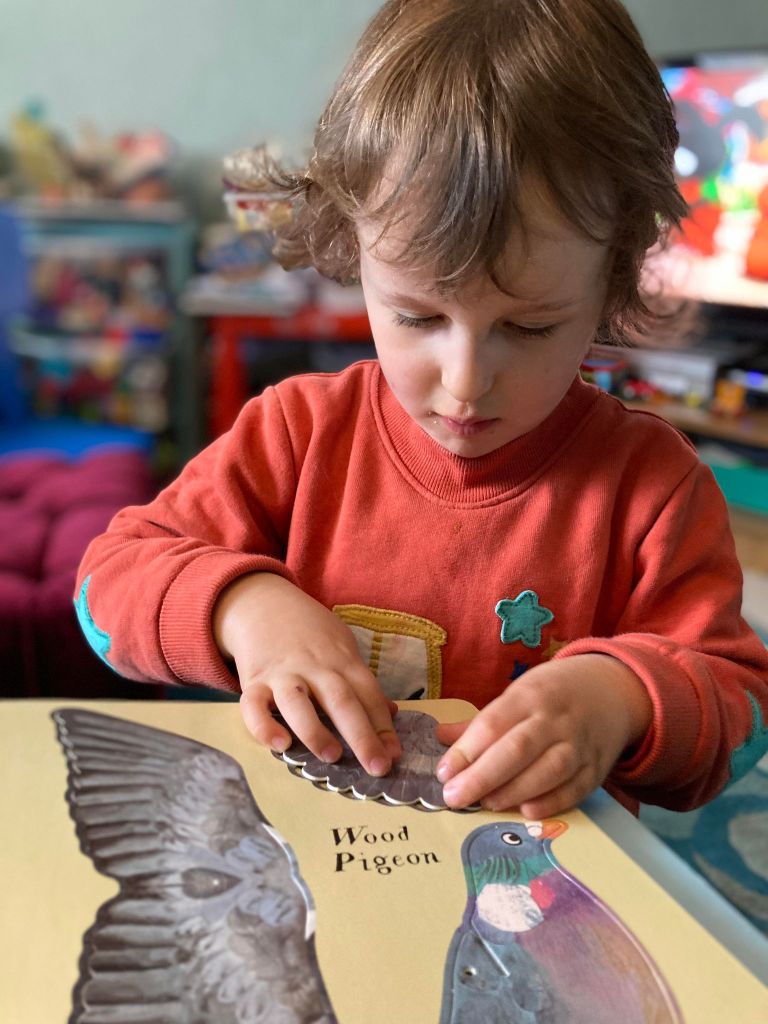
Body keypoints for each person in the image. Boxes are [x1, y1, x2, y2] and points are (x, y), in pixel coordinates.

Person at [76, 0, 768, 819]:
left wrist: (620, 697)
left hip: (545, 901)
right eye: (418, 317)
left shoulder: (653, 487)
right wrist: (242, 606)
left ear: (612, 280)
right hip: (309, 872)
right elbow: (103, 592)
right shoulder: (296, 435)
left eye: (529, 325)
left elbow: (739, 717)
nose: (467, 381)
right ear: (353, 247)